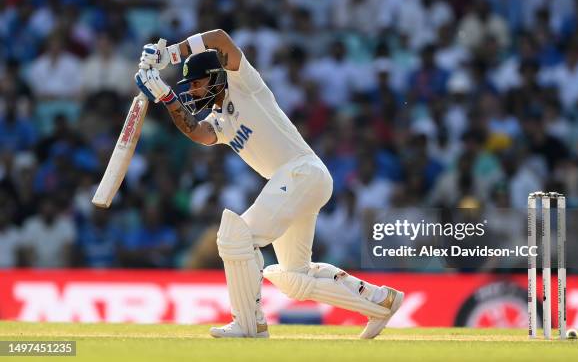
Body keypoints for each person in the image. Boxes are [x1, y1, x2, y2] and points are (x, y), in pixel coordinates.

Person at [134, 29, 404, 339]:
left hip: (301, 172)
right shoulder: (219, 121)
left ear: (215, 76)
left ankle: (249, 324)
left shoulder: (243, 84)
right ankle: (381, 301)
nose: (193, 93)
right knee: (295, 277)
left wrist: (171, 54)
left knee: (236, 238)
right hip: (298, 181)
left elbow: (220, 38)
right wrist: (167, 97)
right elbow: (197, 132)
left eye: (196, 84)